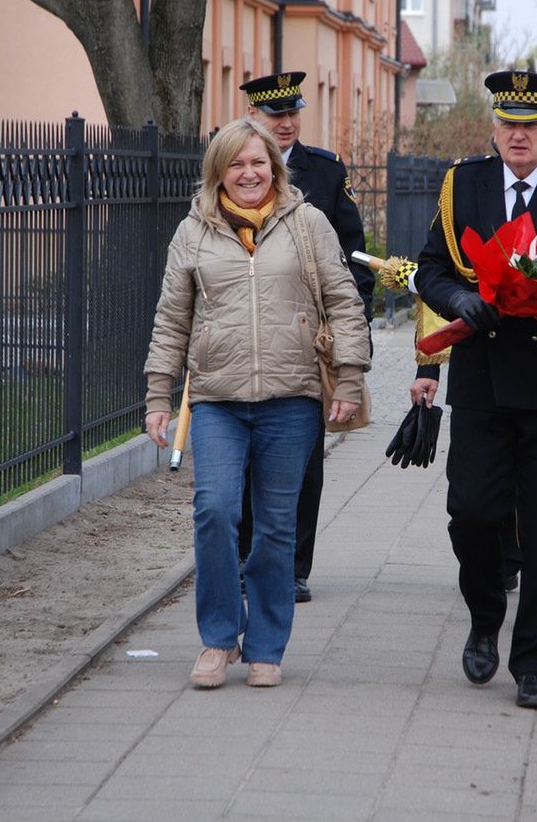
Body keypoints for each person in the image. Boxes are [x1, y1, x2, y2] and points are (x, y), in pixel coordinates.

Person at [414, 70, 537, 710]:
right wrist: (460, 300)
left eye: (533, 126)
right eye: (509, 124)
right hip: (483, 382)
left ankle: (534, 661)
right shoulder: (463, 183)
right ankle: (484, 618)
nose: (520, 135)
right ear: (494, 127)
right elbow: (431, 270)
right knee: (471, 512)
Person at [143, 119, 370, 689]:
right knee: (215, 511)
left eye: (259, 163)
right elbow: (172, 319)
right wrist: (157, 394)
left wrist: (347, 379)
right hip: (218, 399)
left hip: (290, 399)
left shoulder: (308, 224)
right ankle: (219, 639)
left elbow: (344, 302)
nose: (249, 174)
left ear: (275, 167)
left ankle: (266, 644)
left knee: (274, 527)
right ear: (219, 171)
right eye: (237, 164)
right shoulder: (192, 231)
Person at [236, 71, 376, 604]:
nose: (288, 123)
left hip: (306, 340)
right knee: (242, 456)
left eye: (294, 112)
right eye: (277, 115)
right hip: (245, 337)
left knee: (303, 457)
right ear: (254, 117)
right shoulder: (229, 165)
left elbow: (354, 255)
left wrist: (347, 330)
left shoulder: (325, 170)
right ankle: (244, 557)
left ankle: (294, 565)